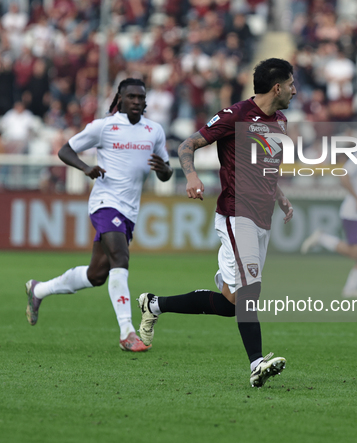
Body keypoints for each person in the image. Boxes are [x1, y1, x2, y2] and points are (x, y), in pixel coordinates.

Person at [136, 58, 296, 387]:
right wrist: (191, 174)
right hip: (237, 214)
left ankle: (155, 304)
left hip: (262, 218)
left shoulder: (280, 121)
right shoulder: (235, 115)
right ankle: (256, 364)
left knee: (229, 304)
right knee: (251, 289)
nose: (295, 91)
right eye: (292, 84)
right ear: (277, 87)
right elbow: (187, 144)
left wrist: (279, 196)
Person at [25, 78, 173, 352]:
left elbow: (165, 173)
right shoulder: (104, 127)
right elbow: (65, 150)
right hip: (105, 203)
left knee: (96, 274)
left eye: (141, 98)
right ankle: (127, 332)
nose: (137, 102)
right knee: (120, 257)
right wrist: (85, 168)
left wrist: (164, 170)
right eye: (132, 97)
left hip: (129, 210)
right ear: (120, 98)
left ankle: (38, 290)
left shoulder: (154, 130)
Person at [301, 123, 357, 298]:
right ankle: (322, 238)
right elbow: (344, 175)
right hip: (354, 211)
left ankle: (350, 288)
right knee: (356, 252)